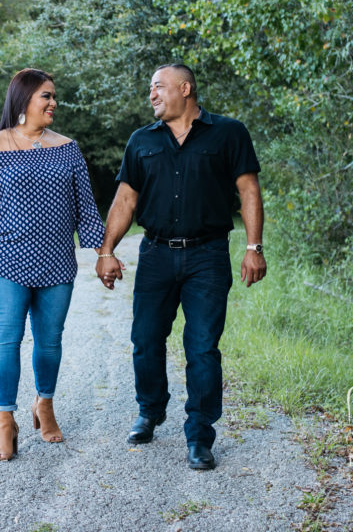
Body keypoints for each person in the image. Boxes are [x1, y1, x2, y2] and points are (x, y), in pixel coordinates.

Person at [95, 63, 267, 470]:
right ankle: (150, 410)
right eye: (150, 89)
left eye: (158, 87)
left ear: (185, 88)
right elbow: (125, 201)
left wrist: (253, 246)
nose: (151, 95)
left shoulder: (229, 133)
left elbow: (249, 190)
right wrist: (106, 250)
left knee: (203, 347)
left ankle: (200, 435)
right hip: (155, 254)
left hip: (207, 255)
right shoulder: (141, 142)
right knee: (146, 339)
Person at [0, 68, 106, 461]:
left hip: (57, 263)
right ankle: (5, 422)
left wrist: (103, 254)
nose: (53, 102)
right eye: (46, 96)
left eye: (54, 96)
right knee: (5, 340)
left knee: (50, 341)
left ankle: (44, 405)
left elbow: (86, 208)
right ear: (24, 99)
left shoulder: (67, 148)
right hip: (5, 262)